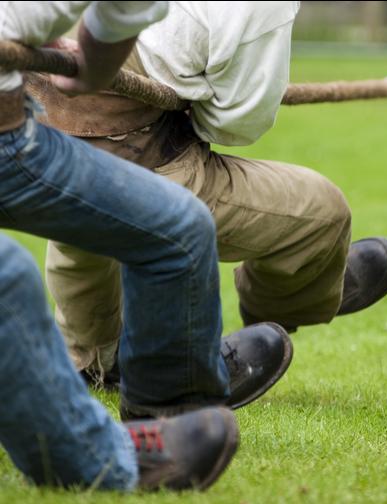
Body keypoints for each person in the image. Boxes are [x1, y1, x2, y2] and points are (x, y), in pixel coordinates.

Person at [27, 1, 387, 387]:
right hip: (140, 163)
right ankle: (284, 304)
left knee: (82, 227)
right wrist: (197, 104)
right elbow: (236, 122)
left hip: (42, 143)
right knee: (323, 213)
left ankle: (93, 359)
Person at [0, 1, 239, 490]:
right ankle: (93, 462)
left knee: (179, 228)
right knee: (8, 278)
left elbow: (116, 24)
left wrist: (53, 47)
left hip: (11, 138)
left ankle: (161, 419)